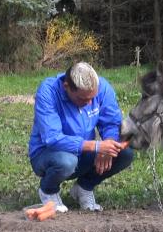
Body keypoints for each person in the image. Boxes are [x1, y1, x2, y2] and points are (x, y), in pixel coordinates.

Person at [28, 62, 133, 212]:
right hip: (47, 155)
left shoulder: (102, 87)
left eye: (93, 98)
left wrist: (109, 143)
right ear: (66, 87)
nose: (89, 102)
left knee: (124, 153)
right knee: (66, 161)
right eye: (83, 99)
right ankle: (48, 191)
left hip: (82, 154)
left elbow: (112, 122)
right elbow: (52, 138)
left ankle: (84, 188)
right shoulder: (48, 92)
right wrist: (96, 146)